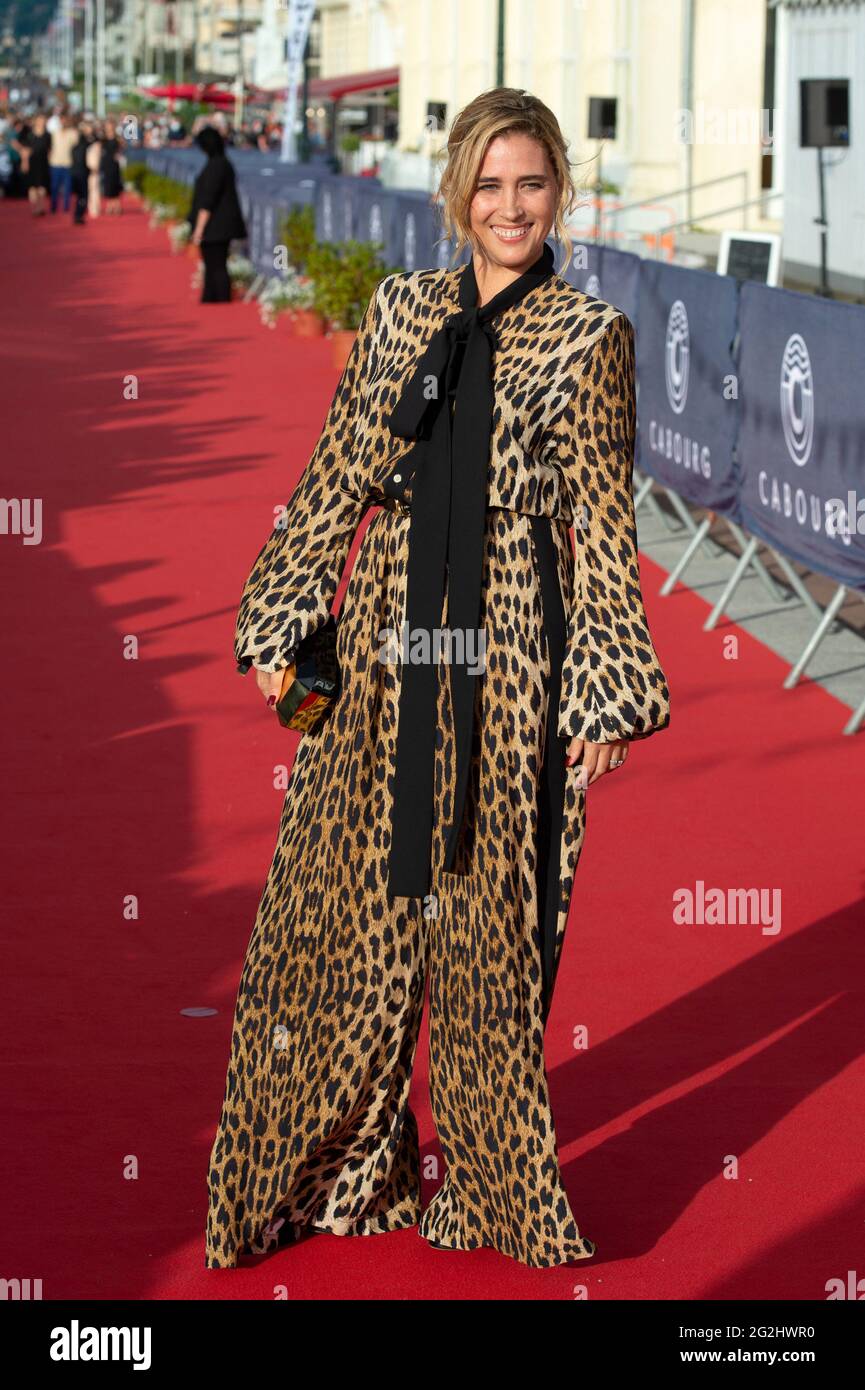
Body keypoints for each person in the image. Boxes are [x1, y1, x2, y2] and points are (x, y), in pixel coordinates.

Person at [204, 86, 671, 1271]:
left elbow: (603, 538)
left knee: (486, 945)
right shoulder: (401, 311)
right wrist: (278, 619)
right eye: (489, 183)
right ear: (455, 190)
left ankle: (489, 1191)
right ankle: (343, 1172)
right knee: (345, 919)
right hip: (380, 648)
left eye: (532, 183)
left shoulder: (588, 338)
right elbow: (332, 480)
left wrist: (605, 685)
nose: (510, 206)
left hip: (511, 652)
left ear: (560, 190)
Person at [187, 125, 247, 303]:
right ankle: (212, 296)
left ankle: (219, 298)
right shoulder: (222, 163)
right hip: (220, 224)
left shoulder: (216, 166)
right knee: (214, 264)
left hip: (216, 225)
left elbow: (208, 200)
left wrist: (199, 229)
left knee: (216, 264)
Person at [20, 112, 51, 216]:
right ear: (36, 121)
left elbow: (50, 150)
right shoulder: (30, 135)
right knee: (33, 187)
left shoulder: (48, 135)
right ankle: (34, 208)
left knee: (42, 187)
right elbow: (25, 150)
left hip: (43, 163)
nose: (42, 122)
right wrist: (24, 163)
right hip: (32, 162)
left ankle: (40, 207)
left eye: (43, 120)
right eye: (40, 120)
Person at [49, 111, 78, 213]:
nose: (63, 122)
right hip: (55, 163)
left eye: (65, 120)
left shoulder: (73, 133)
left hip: (68, 164)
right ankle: (53, 207)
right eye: (62, 120)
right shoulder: (54, 133)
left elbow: (77, 146)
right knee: (54, 187)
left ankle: (66, 207)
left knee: (67, 188)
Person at [70, 119, 94, 225]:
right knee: (82, 195)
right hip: (78, 171)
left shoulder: (85, 141)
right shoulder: (82, 141)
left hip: (79, 171)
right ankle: (78, 215)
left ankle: (78, 215)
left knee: (81, 195)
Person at [99, 118, 123, 214]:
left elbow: (122, 149)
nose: (109, 127)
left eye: (110, 125)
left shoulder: (118, 139)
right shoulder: (103, 139)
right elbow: (99, 149)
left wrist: (119, 154)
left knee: (115, 184)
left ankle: (117, 206)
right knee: (107, 185)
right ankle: (109, 206)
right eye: (107, 126)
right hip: (106, 163)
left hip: (114, 164)